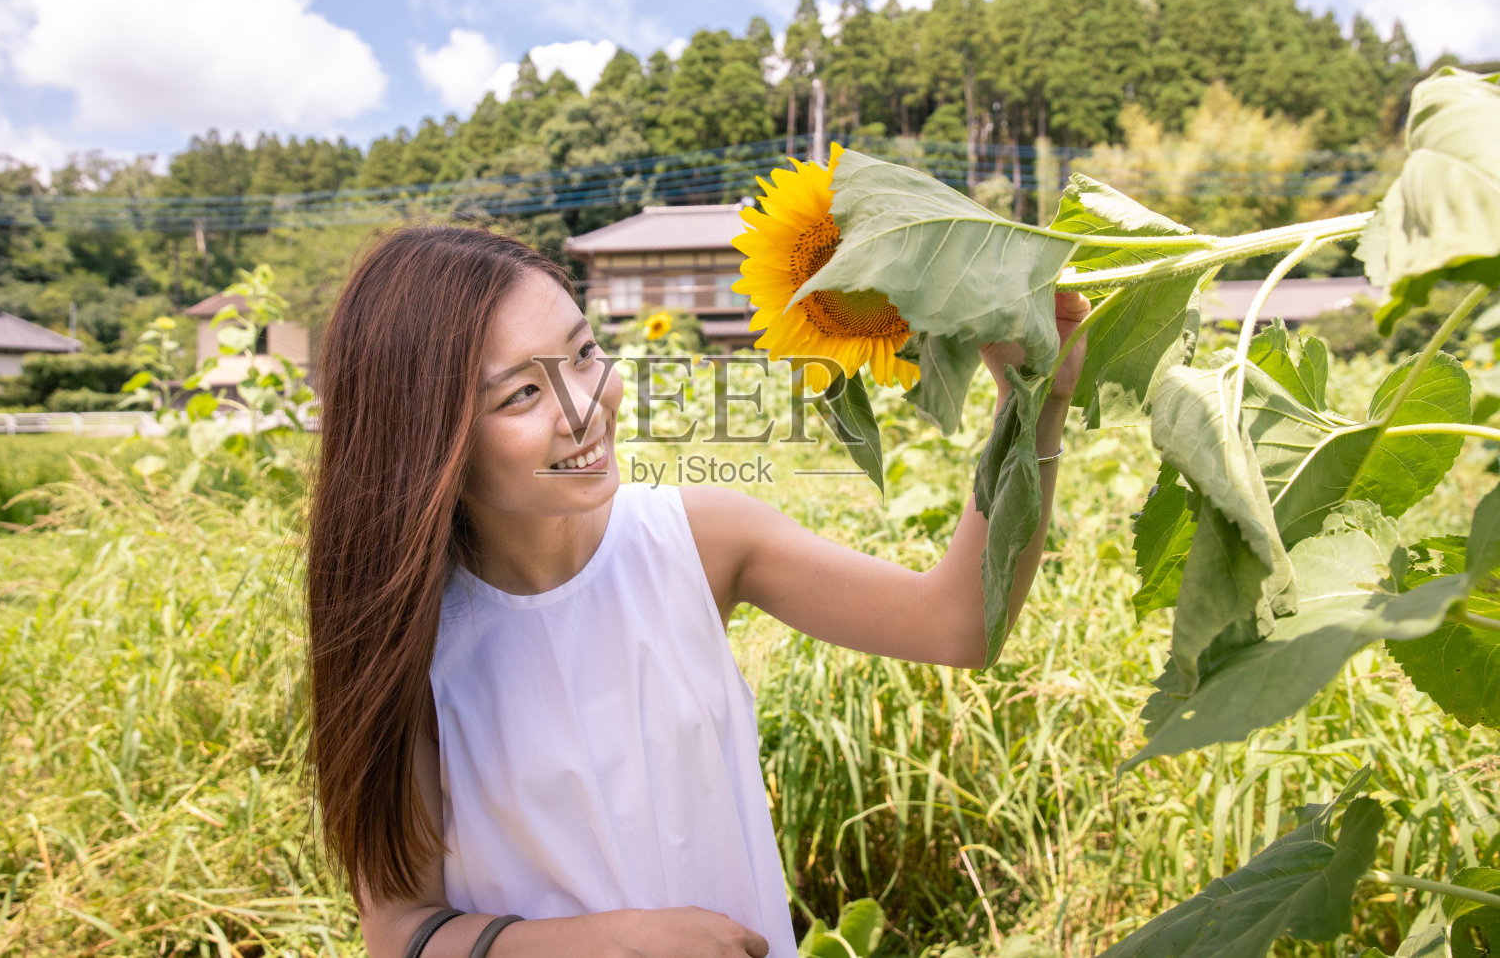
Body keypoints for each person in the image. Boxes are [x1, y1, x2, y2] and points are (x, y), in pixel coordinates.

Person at [304, 225, 1090, 958]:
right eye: (522, 395)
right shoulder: (409, 639)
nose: (584, 406)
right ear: (430, 440)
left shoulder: (697, 539)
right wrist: (611, 943)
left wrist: (1034, 404)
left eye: (582, 353)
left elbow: (957, 625)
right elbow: (401, 928)